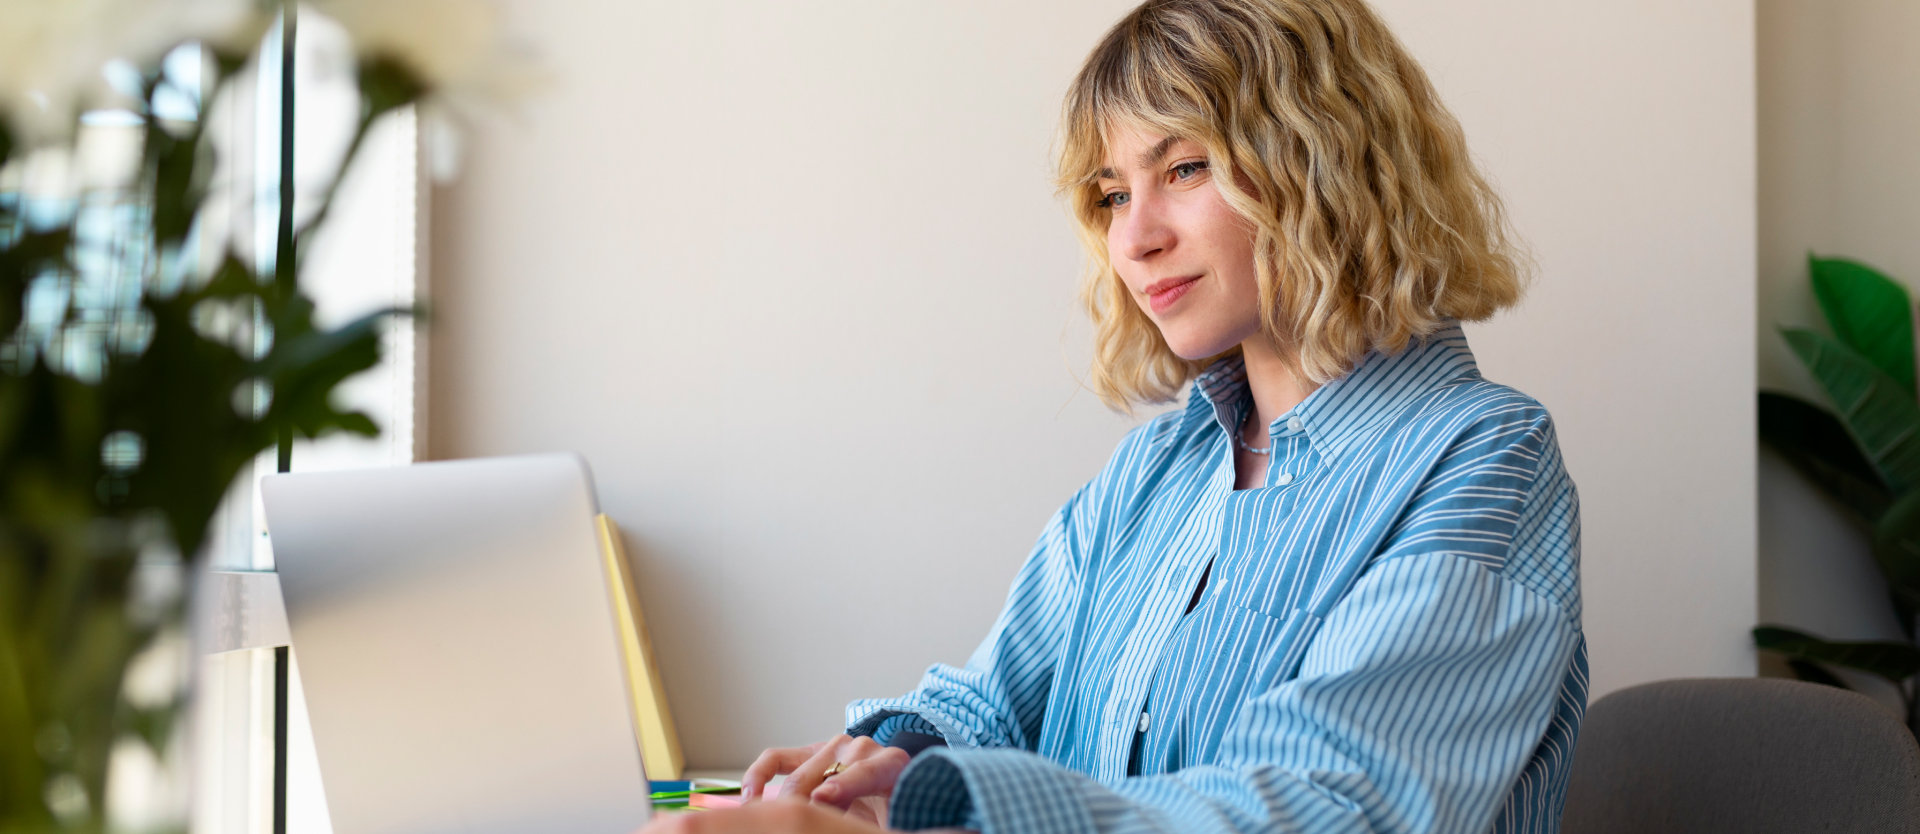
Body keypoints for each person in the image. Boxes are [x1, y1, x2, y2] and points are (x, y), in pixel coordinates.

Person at [641, 0, 1582, 831]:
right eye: (1112, 194)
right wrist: (886, 765)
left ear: (1328, 159)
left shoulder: (1484, 456)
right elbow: (990, 702)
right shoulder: (1155, 468)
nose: (1134, 238)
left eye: (1186, 168)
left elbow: (1327, 804)